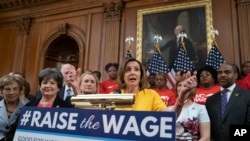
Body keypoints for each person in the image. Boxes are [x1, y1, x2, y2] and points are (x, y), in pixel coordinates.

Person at [114, 58, 197, 116]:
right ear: (122, 75)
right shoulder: (114, 95)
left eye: (136, 69)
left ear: (141, 75)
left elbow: (169, 118)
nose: (133, 73)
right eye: (128, 70)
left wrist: (181, 98)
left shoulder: (151, 95)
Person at [205, 63, 250, 141]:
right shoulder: (211, 100)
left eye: (227, 72)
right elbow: (208, 127)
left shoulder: (247, 96)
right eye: (220, 72)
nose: (222, 75)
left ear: (235, 75)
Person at [0, 74, 24, 141]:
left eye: (15, 89)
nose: (11, 92)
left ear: (20, 91)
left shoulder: (26, 109)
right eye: (7, 89)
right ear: (2, 91)